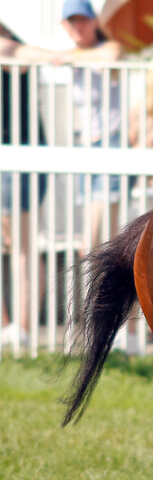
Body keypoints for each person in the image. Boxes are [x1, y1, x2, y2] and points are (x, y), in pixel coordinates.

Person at [0, 0, 124, 249]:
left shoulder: (108, 48)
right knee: (99, 245)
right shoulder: (73, 55)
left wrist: (69, 57)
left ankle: (99, 289)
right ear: (64, 25)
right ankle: (104, 288)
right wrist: (66, 56)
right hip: (85, 145)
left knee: (92, 244)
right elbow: (21, 54)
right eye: (72, 21)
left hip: (111, 144)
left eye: (83, 20)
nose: (78, 26)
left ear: (95, 22)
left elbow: (111, 56)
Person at [1, 21, 48, 347]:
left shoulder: (11, 46)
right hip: (12, 160)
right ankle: (10, 329)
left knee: (21, 246)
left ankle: (22, 329)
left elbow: (14, 51)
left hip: (18, 160)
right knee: (16, 245)